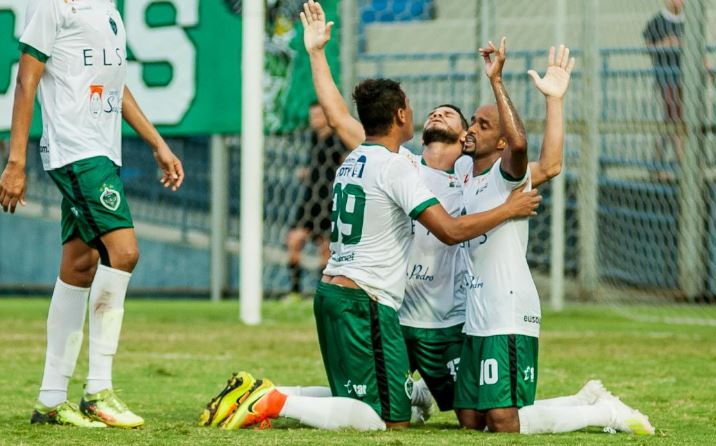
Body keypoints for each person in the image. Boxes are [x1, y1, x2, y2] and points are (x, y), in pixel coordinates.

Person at [198, 0, 540, 432]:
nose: (436, 113)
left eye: (452, 115)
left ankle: (401, 393)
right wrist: (317, 55)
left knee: (474, 416)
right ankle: (292, 398)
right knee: (385, 416)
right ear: (403, 117)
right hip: (390, 309)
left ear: (467, 139)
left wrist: (553, 107)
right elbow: (341, 117)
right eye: (430, 110)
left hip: (444, 322)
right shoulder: (404, 166)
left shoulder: (474, 179)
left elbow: (540, 163)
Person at [453, 37, 654, 435]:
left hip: (507, 310)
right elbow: (553, 163)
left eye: (483, 124)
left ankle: (603, 414)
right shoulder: (464, 176)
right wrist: (556, 101)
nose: (472, 128)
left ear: (502, 143)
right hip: (478, 312)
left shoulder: (505, 175)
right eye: (472, 121)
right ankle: (581, 401)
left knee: (503, 422)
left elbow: (526, 147)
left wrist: (500, 81)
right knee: (471, 418)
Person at [0, 0, 184, 428]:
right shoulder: (51, 5)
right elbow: (27, 81)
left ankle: (50, 400)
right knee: (124, 253)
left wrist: (157, 143)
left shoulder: (107, 8)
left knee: (80, 266)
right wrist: (15, 161)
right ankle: (98, 390)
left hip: (103, 148)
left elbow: (114, 85)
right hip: (77, 152)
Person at [285, 103, 349, 299]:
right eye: (312, 116)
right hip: (310, 199)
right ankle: (295, 291)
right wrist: (308, 172)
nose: (315, 120)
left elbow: (346, 162)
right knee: (294, 240)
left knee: (326, 249)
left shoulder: (338, 140)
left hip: (329, 200)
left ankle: (321, 293)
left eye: (319, 115)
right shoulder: (314, 137)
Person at [643, 0, 685, 177]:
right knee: (675, 118)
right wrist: (666, 43)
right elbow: (649, 48)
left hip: (683, 77)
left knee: (671, 121)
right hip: (666, 78)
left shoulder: (687, 22)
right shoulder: (657, 21)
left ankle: (656, 162)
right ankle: (682, 163)